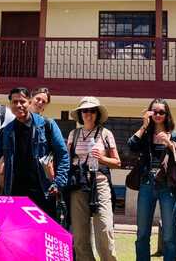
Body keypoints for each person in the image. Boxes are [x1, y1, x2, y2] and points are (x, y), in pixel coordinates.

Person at [0, 86, 69, 218]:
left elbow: (63, 155)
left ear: (29, 102)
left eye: (22, 101)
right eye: (14, 102)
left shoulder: (47, 125)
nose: (19, 105)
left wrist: (59, 182)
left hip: (43, 193)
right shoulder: (6, 131)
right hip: (15, 193)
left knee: (40, 236)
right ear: (10, 105)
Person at [127, 98, 176, 261]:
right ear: (149, 113)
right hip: (146, 184)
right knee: (142, 233)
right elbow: (131, 145)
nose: (158, 115)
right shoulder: (145, 135)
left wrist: (169, 143)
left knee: (169, 236)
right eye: (154, 112)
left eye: (161, 112)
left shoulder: (175, 135)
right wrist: (144, 125)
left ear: (167, 115)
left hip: (168, 186)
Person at [66, 96, 121, 261]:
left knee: (104, 229)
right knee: (80, 233)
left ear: (97, 114)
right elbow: (67, 161)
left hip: (99, 181)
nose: (88, 114)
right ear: (80, 114)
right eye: (85, 111)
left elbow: (117, 162)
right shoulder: (73, 134)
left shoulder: (105, 133)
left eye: (92, 111)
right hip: (78, 183)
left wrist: (102, 159)